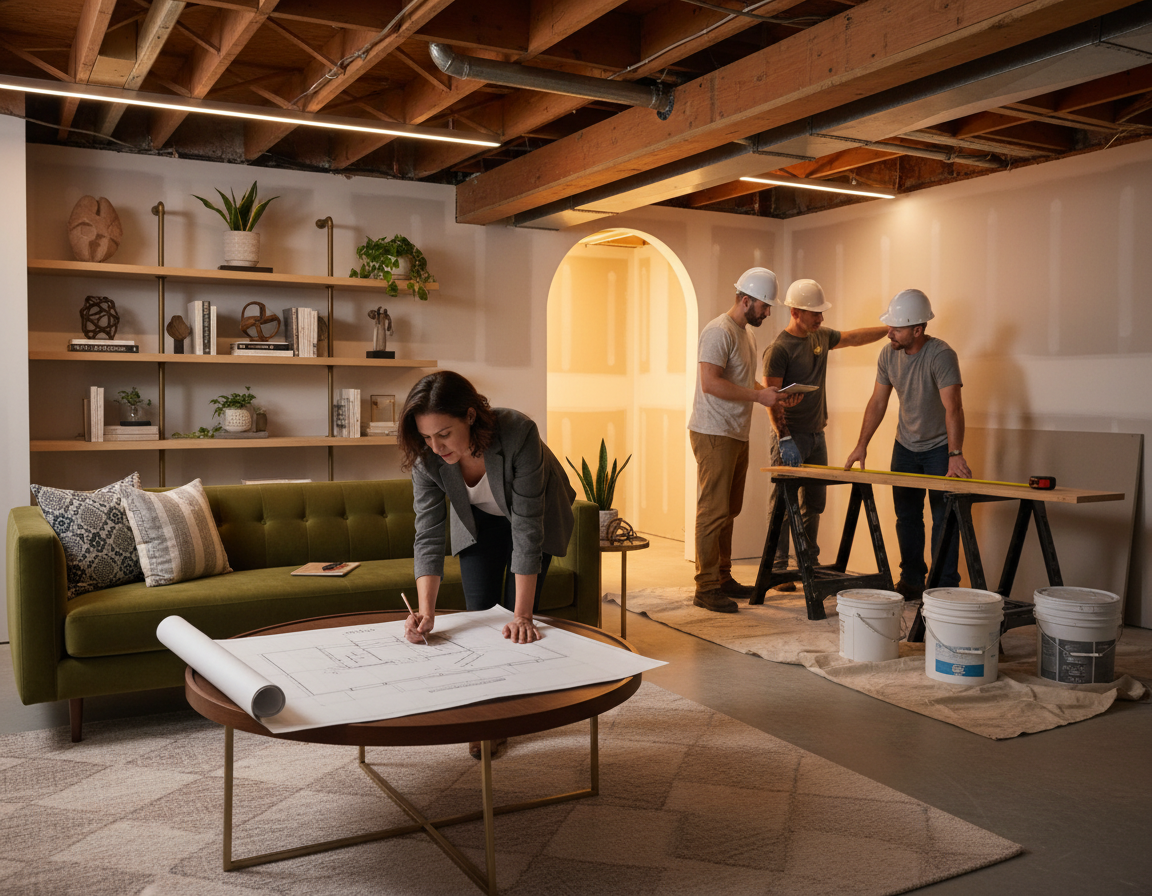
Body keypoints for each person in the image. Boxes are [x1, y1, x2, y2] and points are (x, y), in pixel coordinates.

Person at [397, 370, 577, 757]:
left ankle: (508, 716)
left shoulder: (517, 432)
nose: (435, 445)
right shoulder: (427, 457)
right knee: (479, 616)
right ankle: (485, 718)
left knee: (515, 623)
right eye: (426, 436)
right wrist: (426, 613)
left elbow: (527, 529)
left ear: (471, 416)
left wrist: (523, 615)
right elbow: (427, 533)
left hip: (533, 516)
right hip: (477, 524)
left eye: (444, 434)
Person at [844, 289, 972, 601]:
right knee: (907, 516)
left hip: (939, 448)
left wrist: (955, 454)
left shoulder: (941, 355)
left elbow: (953, 407)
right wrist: (862, 444)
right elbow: (878, 401)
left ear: (918, 329)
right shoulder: (888, 354)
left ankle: (944, 589)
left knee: (945, 517)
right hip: (905, 446)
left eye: (896, 328)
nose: (889, 332)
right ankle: (913, 581)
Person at [761, 279, 887, 590]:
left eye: (821, 313)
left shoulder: (819, 336)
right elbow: (771, 397)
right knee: (783, 505)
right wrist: (784, 437)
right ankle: (778, 570)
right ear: (794, 312)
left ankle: (808, 561)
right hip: (790, 436)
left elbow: (853, 338)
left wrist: (890, 329)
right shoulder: (778, 350)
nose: (820, 318)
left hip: (817, 434)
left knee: (814, 503)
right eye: (814, 313)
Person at [688, 267, 800, 614]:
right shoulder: (718, 331)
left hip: (733, 432)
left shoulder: (745, 335)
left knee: (729, 510)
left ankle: (722, 578)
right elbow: (711, 383)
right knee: (713, 511)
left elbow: (741, 380)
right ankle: (706, 587)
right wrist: (757, 398)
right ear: (746, 300)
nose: (768, 313)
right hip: (713, 431)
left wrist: (772, 395)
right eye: (764, 306)